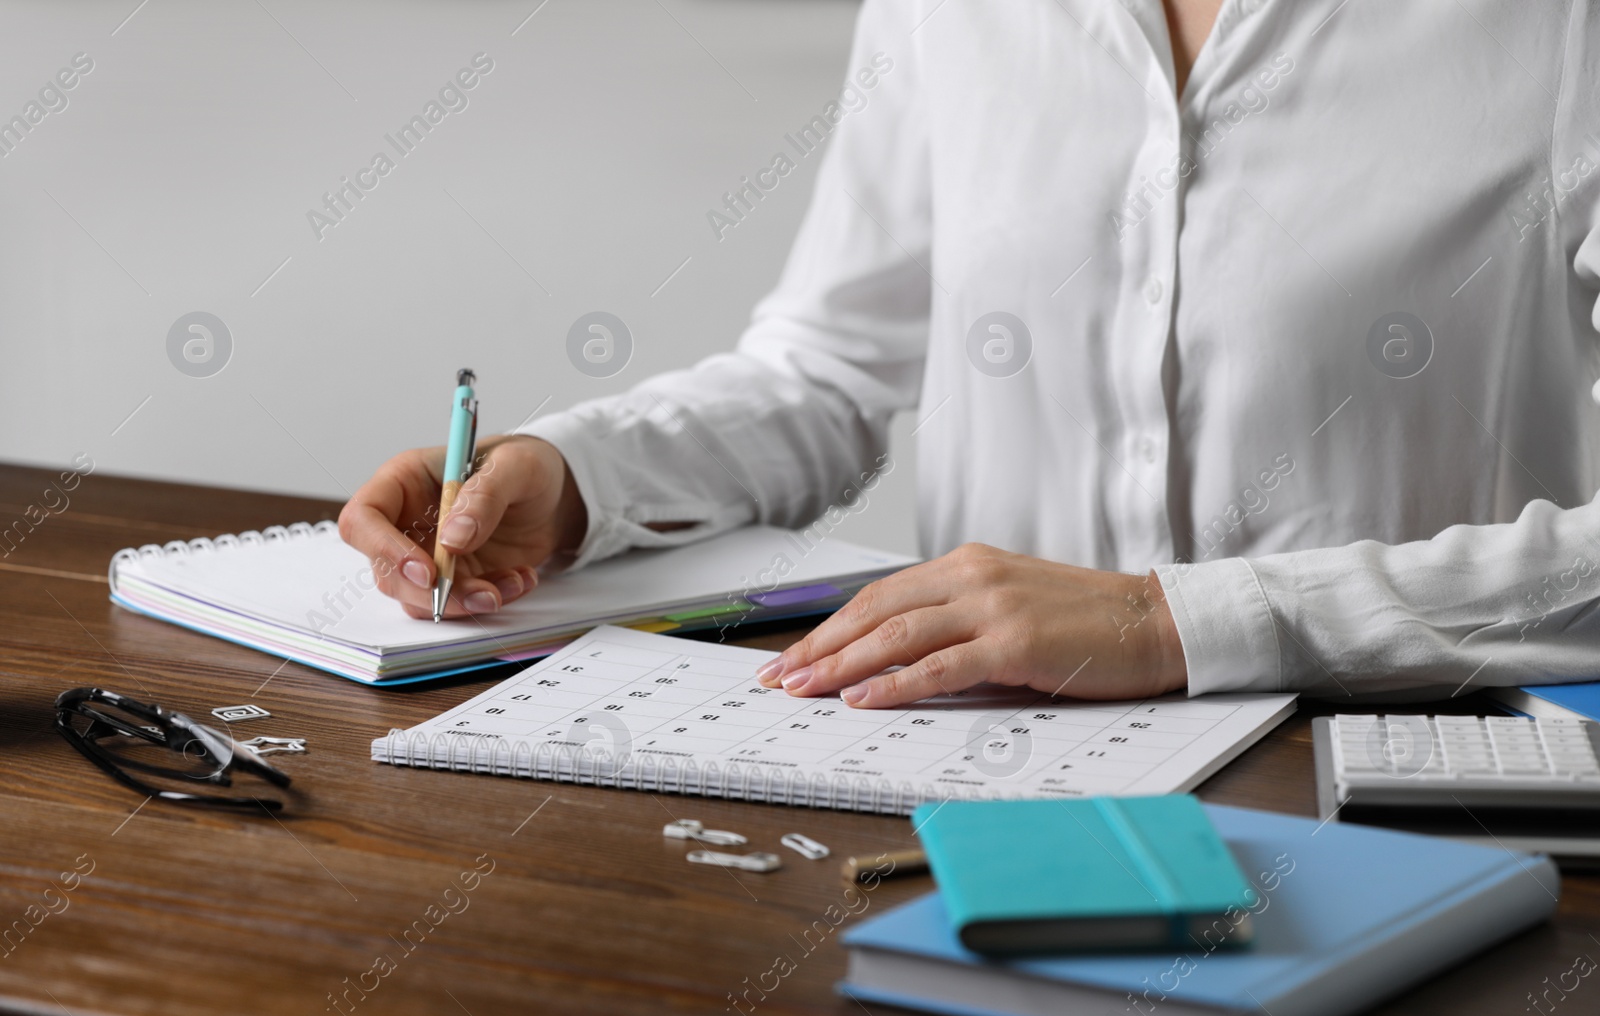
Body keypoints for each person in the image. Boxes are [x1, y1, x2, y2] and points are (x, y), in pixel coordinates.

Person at [340, 0, 1600, 709]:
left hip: (1385, 778)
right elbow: (826, 371)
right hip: (963, 771)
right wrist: (575, 479)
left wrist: (1178, 622)